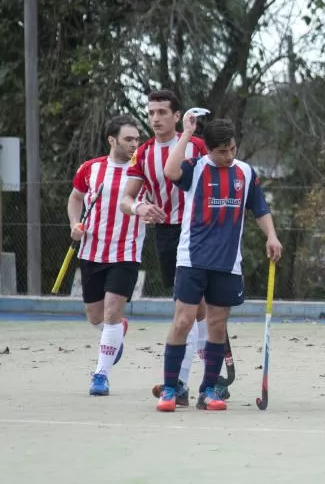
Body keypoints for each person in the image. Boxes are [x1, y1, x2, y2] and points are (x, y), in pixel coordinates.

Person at [155, 114, 282, 412]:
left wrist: (272, 237)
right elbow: (170, 171)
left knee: (216, 324)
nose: (228, 156)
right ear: (208, 150)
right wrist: (186, 133)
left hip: (227, 263)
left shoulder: (246, 173)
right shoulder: (196, 168)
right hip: (192, 258)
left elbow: (260, 209)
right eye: (221, 151)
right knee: (183, 321)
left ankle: (209, 389)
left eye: (232, 149)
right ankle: (170, 389)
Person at [120, 90, 214, 406]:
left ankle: (182, 382)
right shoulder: (143, 153)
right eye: (151, 113)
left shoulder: (197, 146)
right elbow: (125, 200)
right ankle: (212, 370)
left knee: (185, 307)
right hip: (167, 234)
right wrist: (139, 209)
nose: (156, 118)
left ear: (177, 116)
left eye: (162, 112)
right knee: (194, 308)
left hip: (200, 233)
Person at [69, 115, 147, 396]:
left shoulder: (142, 171)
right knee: (95, 316)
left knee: (113, 311)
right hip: (92, 250)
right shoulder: (90, 169)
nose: (134, 144)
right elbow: (76, 197)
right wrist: (74, 224)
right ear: (112, 140)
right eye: (128, 139)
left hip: (126, 251)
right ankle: (114, 333)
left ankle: (100, 374)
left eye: (137, 139)